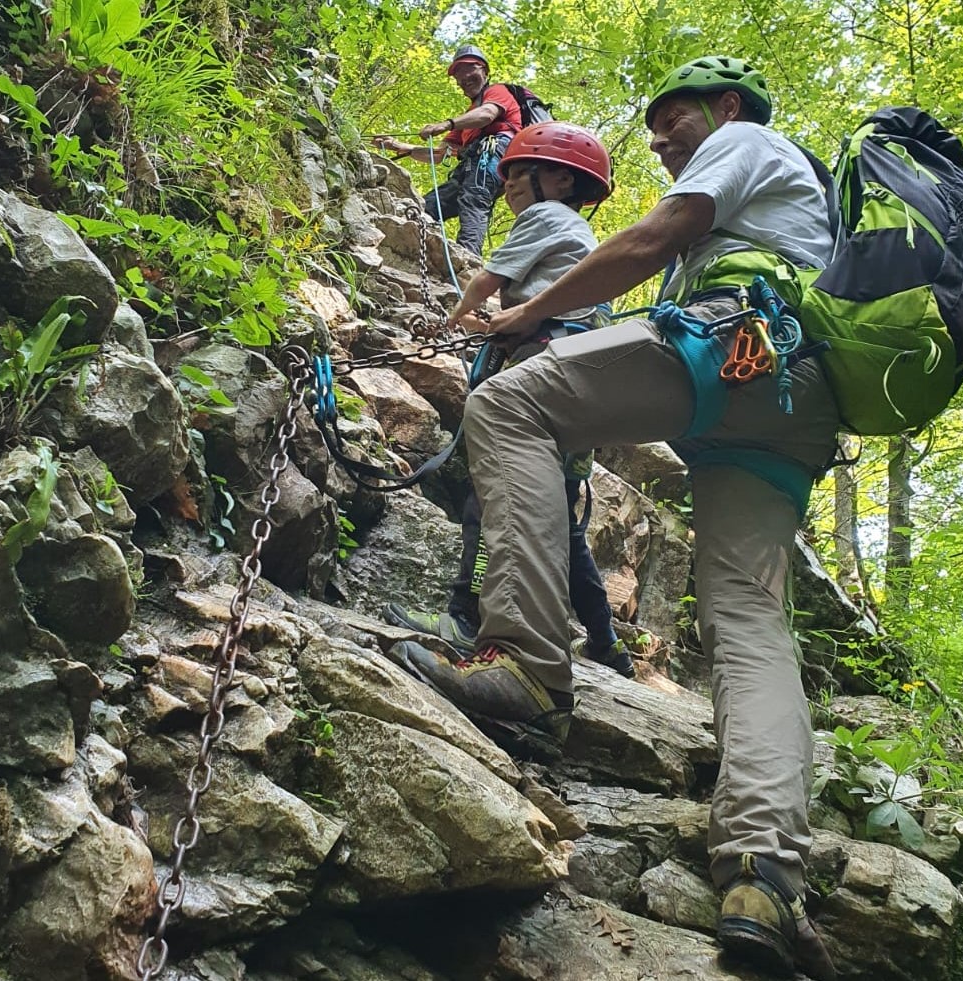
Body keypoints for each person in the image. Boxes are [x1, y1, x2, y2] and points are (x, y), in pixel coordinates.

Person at [392, 56, 839, 981]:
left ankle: (525, 661)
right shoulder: (806, 209)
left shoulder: (748, 139)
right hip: (798, 400)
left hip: (733, 341)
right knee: (751, 621)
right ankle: (761, 870)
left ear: (723, 107)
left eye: (672, 119)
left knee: (509, 407)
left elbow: (652, 238)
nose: (661, 140)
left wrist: (528, 312)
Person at [385, 121, 633, 679]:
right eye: (509, 175)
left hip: (537, 372)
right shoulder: (576, 237)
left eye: (525, 172)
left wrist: (451, 318)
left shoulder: (547, 218)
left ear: (564, 184)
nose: (512, 184)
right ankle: (606, 639)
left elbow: (485, 282)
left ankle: (465, 617)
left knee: (489, 494)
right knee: (560, 516)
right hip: (572, 375)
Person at [374, 45, 521, 256]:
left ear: (484, 71)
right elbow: (439, 154)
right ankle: (413, 252)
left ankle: (468, 260)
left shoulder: (497, 92)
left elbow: (488, 114)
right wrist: (396, 146)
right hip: (469, 166)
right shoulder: (467, 120)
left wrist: (446, 124)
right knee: (427, 206)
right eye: (458, 76)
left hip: (491, 156)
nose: (463, 79)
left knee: (474, 200)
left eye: (468, 70)